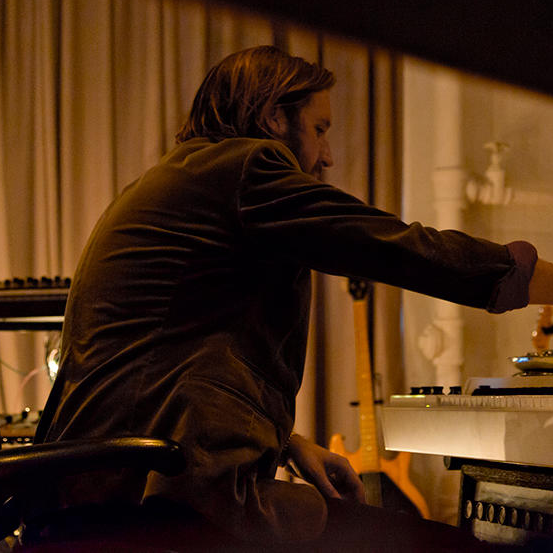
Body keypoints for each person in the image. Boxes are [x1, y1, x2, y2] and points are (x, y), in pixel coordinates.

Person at [27, 45, 553, 551]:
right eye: (320, 129)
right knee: (450, 547)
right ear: (275, 117)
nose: (328, 156)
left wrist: (289, 444)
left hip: (92, 493)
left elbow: (166, 358)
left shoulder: (181, 177)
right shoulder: (245, 167)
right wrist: (526, 278)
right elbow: (395, 247)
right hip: (149, 501)